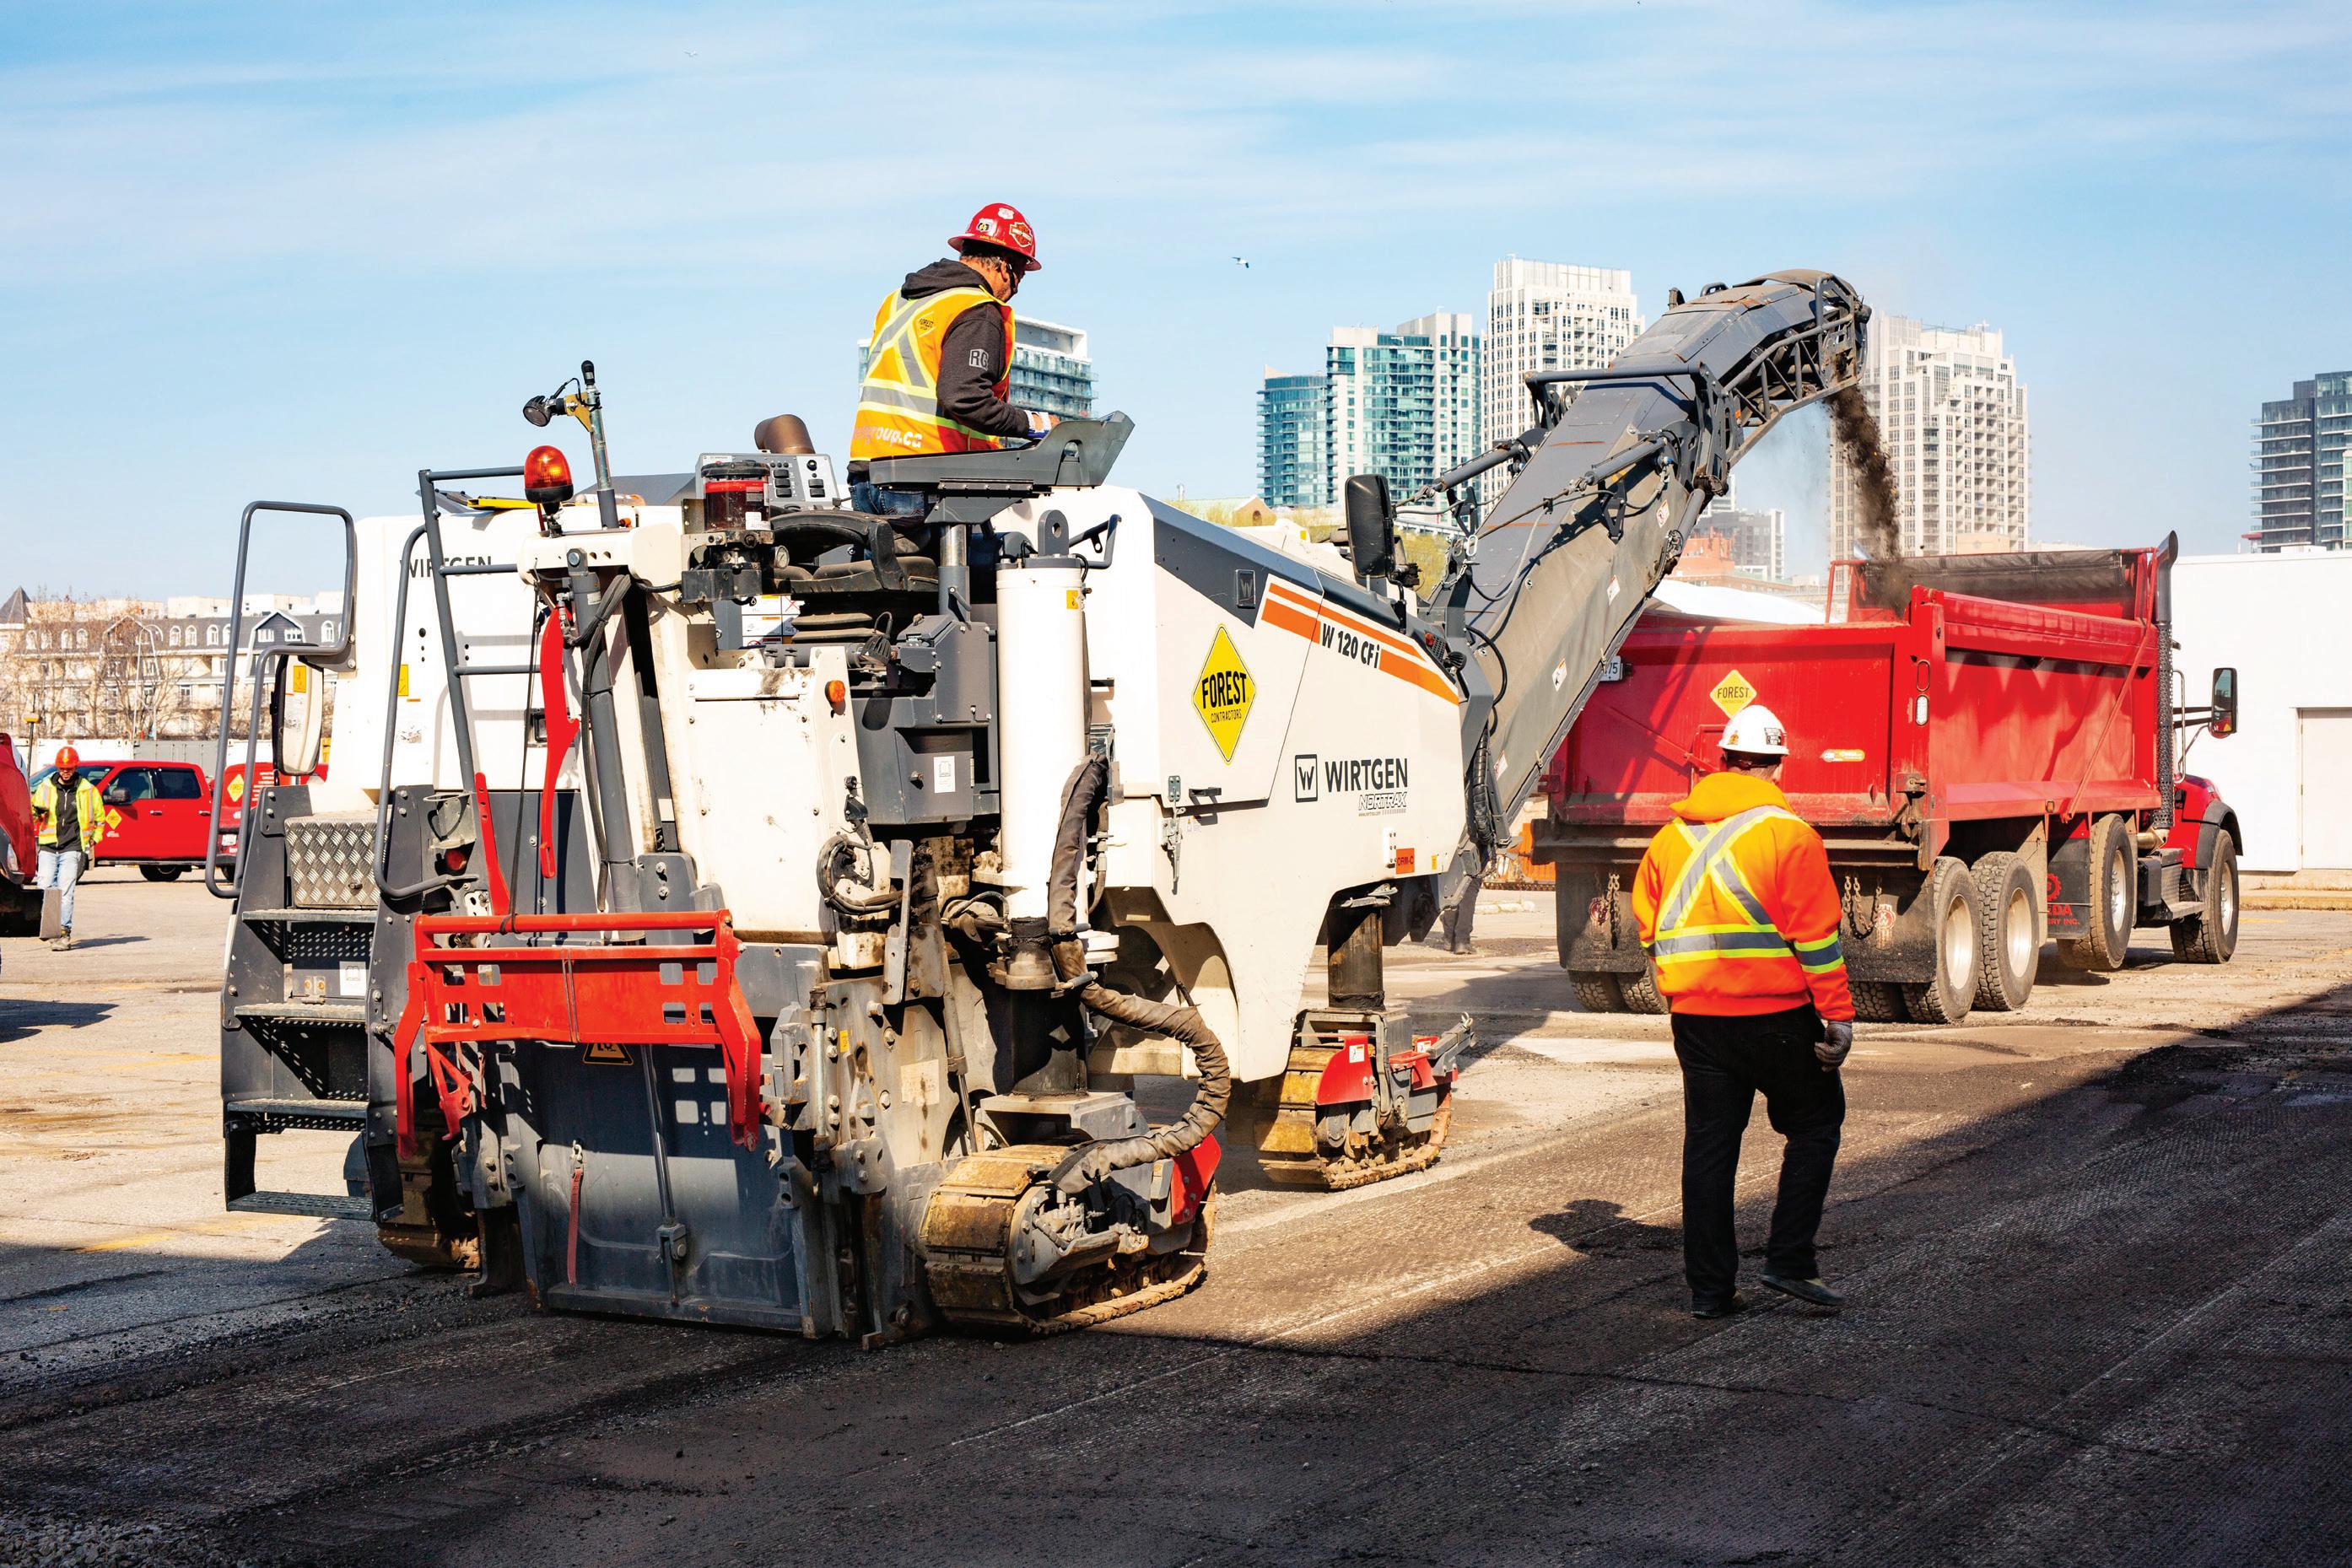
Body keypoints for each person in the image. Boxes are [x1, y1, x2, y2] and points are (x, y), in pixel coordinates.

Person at [1632, 704, 1855, 1320]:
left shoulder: (1669, 838)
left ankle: (1710, 1291)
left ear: (1723, 762)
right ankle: (1790, 1259)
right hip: (1775, 1017)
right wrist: (1837, 1017)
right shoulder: (1790, 836)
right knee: (1815, 1123)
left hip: (1697, 1021)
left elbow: (1649, 929)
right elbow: (1817, 941)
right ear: (1777, 767)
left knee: (1709, 1148)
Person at [847, 202, 1057, 517]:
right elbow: (964, 398)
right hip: (924, 479)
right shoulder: (975, 309)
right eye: (1019, 277)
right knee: (994, 550)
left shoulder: (899, 301)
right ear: (1005, 267)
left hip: (867, 476)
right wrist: (1035, 424)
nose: (1014, 289)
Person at [30, 745, 107, 950]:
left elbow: (100, 819)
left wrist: (94, 838)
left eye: (69, 768)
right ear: (58, 767)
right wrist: (35, 812)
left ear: (75, 768)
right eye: (62, 768)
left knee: (66, 891)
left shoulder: (88, 791)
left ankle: (64, 933)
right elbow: (33, 815)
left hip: (72, 847)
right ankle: (49, 928)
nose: (65, 772)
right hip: (48, 845)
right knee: (45, 887)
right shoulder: (46, 787)